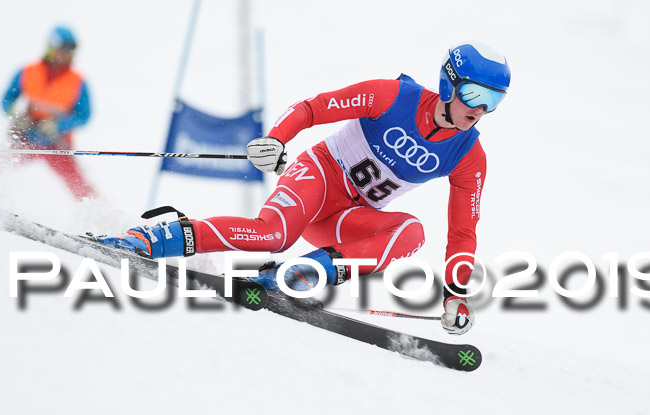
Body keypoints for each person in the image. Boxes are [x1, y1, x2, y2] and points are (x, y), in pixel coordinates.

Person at [98, 41, 511, 335]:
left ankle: (297, 275)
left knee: (411, 232)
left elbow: (463, 231)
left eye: (492, 101)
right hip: (319, 175)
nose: (478, 110)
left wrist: (455, 293)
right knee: (273, 235)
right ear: (448, 83)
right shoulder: (392, 96)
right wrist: (277, 139)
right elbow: (313, 108)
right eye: (473, 94)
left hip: (344, 219)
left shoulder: (468, 155)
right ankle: (145, 239)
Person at [0, 25, 96, 200]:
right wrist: (17, 116)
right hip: (26, 137)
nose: (63, 55)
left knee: (79, 186)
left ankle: (104, 218)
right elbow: (6, 100)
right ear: (51, 47)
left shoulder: (77, 81)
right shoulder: (29, 72)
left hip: (56, 144)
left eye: (68, 51)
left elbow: (84, 116)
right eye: (60, 49)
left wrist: (58, 125)